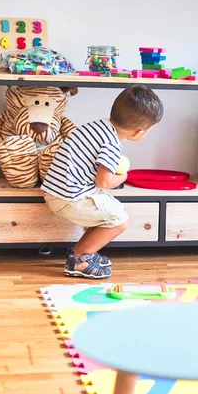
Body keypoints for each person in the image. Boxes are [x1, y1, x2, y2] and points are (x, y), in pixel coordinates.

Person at [42, 85, 164, 279]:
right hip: (70, 198)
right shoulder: (112, 144)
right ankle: (78, 259)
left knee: (109, 207)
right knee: (119, 219)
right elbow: (104, 182)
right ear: (139, 132)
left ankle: (84, 251)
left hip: (56, 191)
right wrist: (124, 177)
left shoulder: (95, 126)